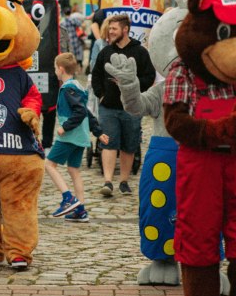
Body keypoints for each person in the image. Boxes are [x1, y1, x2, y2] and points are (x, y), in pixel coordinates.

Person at [90, 14, 154, 196]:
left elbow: (149, 77)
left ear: (125, 30)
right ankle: (108, 182)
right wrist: (101, 95)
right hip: (108, 107)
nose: (110, 32)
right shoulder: (105, 52)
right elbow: (95, 75)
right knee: (109, 144)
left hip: (132, 108)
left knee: (129, 145)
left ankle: (124, 181)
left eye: (114, 29)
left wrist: (131, 84)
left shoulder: (140, 52)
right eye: (109, 28)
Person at [45, 53, 109, 223]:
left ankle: (68, 199)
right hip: (81, 137)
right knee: (74, 170)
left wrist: (64, 127)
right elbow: (86, 111)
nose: (54, 71)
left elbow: (80, 112)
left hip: (69, 136)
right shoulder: (78, 86)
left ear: (60, 69)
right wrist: (97, 131)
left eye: (55, 68)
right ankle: (80, 210)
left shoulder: (68, 88)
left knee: (49, 165)